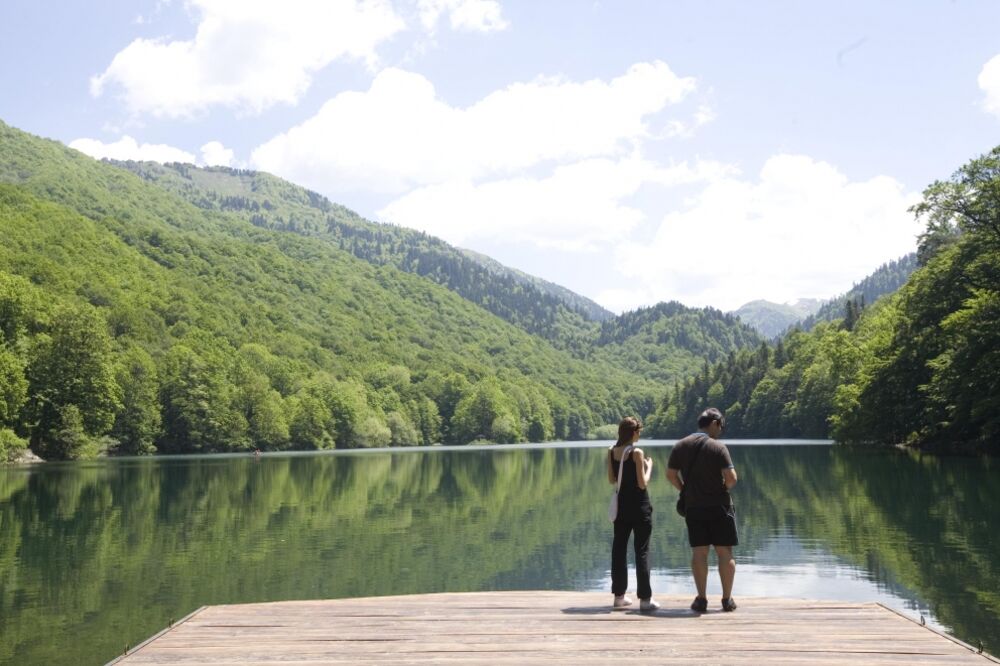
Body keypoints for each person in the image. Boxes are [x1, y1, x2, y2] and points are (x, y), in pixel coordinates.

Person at [666, 407, 739, 613]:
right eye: (721, 425)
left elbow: (670, 474)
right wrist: (721, 489)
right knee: (725, 552)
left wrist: (684, 490)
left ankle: (701, 599)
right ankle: (727, 600)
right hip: (720, 506)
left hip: (694, 507)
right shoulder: (718, 447)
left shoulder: (680, 445)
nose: (721, 430)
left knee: (699, 553)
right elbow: (731, 478)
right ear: (714, 423)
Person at [607, 416, 659, 612]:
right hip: (639, 507)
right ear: (633, 432)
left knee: (619, 549)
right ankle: (645, 600)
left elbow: (612, 480)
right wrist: (649, 467)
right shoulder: (637, 453)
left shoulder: (611, 451)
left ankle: (619, 597)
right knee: (642, 550)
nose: (639, 435)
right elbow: (642, 484)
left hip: (621, 507)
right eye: (639, 431)